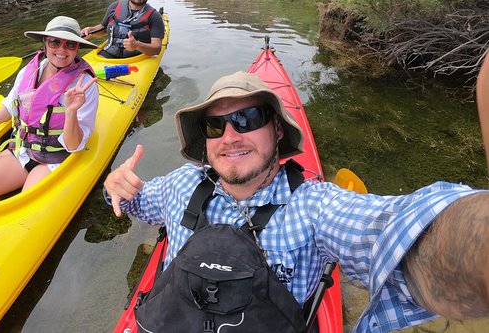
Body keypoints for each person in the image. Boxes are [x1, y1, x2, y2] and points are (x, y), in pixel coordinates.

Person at [103, 66, 489, 332]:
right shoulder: (181, 184)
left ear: (276, 130)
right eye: (215, 125)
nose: (231, 136)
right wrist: (114, 189)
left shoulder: (313, 206)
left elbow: (401, 232)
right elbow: (132, 203)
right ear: (204, 139)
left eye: (249, 118)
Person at [0, 16, 99, 205]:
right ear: (45, 43)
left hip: (56, 157)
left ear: (77, 48)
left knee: (25, 204)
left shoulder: (85, 86)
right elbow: (12, 105)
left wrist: (71, 111)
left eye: (70, 44)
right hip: (24, 149)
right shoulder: (30, 71)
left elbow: (74, 145)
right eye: (55, 41)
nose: (61, 50)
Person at [80, 0, 165, 58]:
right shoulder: (114, 7)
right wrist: (90, 30)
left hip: (137, 58)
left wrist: (137, 45)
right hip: (108, 54)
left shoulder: (154, 16)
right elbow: (103, 29)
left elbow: (157, 49)